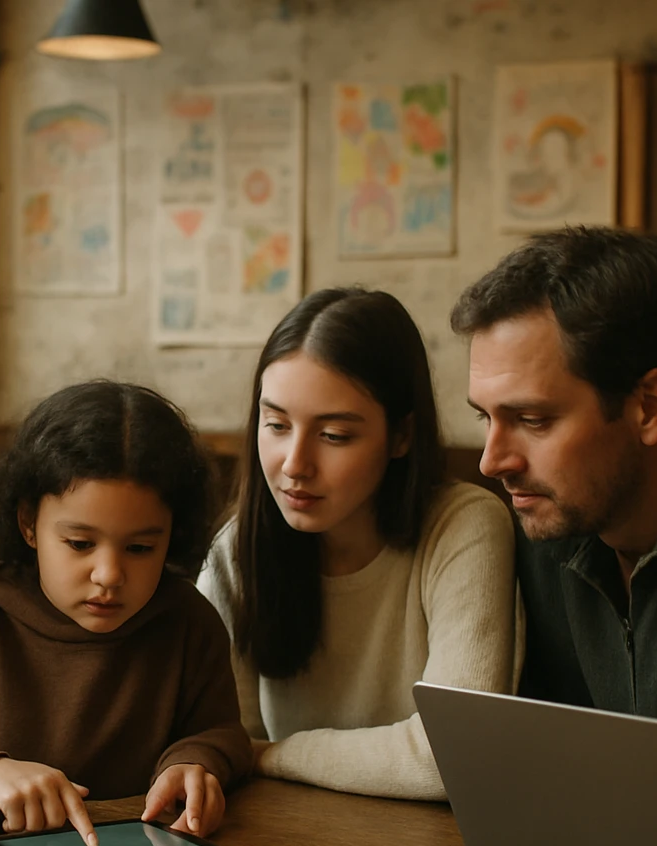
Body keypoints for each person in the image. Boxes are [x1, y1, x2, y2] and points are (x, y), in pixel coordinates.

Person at [0, 381, 253, 845]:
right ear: (29, 525)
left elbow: (221, 730)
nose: (109, 574)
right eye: (80, 544)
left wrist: (195, 762)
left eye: (140, 547)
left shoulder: (188, 623)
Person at [197, 287, 520, 800]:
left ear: (401, 436)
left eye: (334, 436)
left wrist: (269, 755)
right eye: (276, 424)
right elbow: (213, 740)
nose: (294, 464)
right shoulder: (235, 552)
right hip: (282, 844)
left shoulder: (462, 527)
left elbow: (452, 754)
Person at [454, 225, 657, 721]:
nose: (491, 462)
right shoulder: (551, 526)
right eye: (485, 418)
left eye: (532, 420)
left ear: (650, 407)